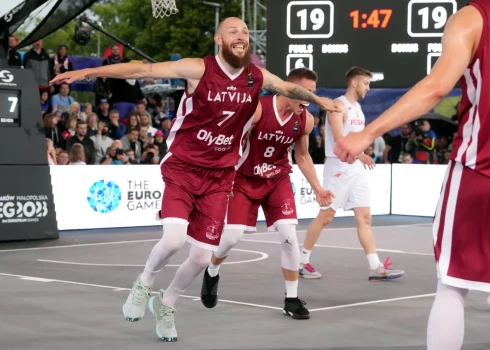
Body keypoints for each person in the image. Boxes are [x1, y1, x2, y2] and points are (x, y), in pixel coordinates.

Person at [50, 17, 341, 342]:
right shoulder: (198, 69)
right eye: (234, 30)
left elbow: (289, 88)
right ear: (219, 39)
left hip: (220, 176)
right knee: (174, 240)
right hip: (185, 167)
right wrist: (87, 72)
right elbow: (142, 70)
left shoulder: (256, 77)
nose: (241, 35)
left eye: (245, 32)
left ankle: (167, 303)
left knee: (202, 256)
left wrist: (319, 102)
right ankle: (144, 282)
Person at [332, 2, 488, 349]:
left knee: (453, 286)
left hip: (481, 170)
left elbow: (435, 88)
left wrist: (367, 134)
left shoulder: (472, 17)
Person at [200, 68, 334, 320]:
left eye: (314, 94)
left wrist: (318, 188)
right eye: (306, 93)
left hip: (277, 179)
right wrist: (220, 178)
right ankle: (212, 271)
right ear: (288, 89)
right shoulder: (259, 109)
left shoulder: (306, 119)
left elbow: (302, 156)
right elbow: (231, 142)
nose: (311, 99)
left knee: (289, 237)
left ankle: (291, 299)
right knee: (232, 237)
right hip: (244, 179)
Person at [299, 67, 405, 281]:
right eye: (366, 83)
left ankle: (375, 267)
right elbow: (340, 138)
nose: (368, 87)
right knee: (326, 216)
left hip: (355, 167)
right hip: (339, 166)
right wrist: (360, 154)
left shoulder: (357, 108)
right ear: (354, 83)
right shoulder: (338, 106)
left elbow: (356, 138)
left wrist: (361, 154)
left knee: (364, 217)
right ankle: (302, 261)